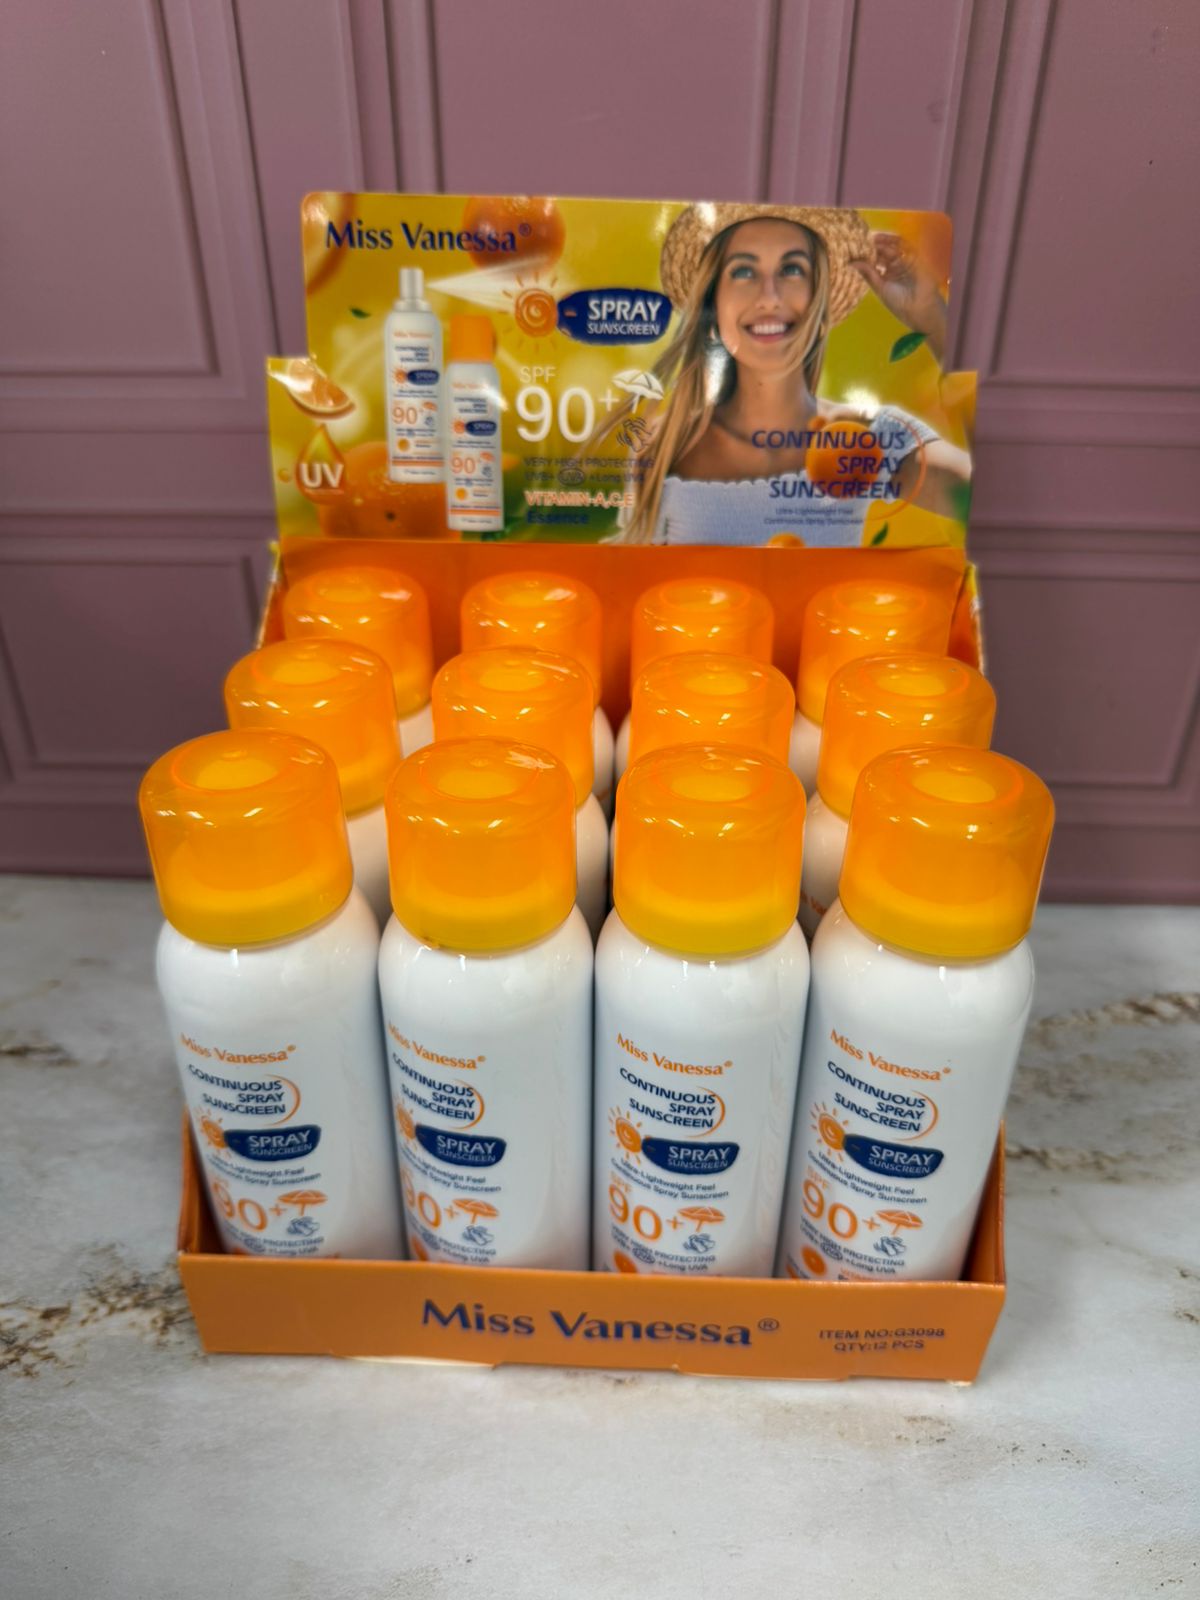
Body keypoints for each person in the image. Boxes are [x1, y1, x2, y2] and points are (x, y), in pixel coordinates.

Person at [604, 204, 970, 547]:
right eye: (743, 271)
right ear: (713, 310)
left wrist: (932, 318)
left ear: (820, 306)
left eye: (792, 269)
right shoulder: (663, 446)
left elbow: (991, 500)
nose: (770, 297)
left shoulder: (874, 439)